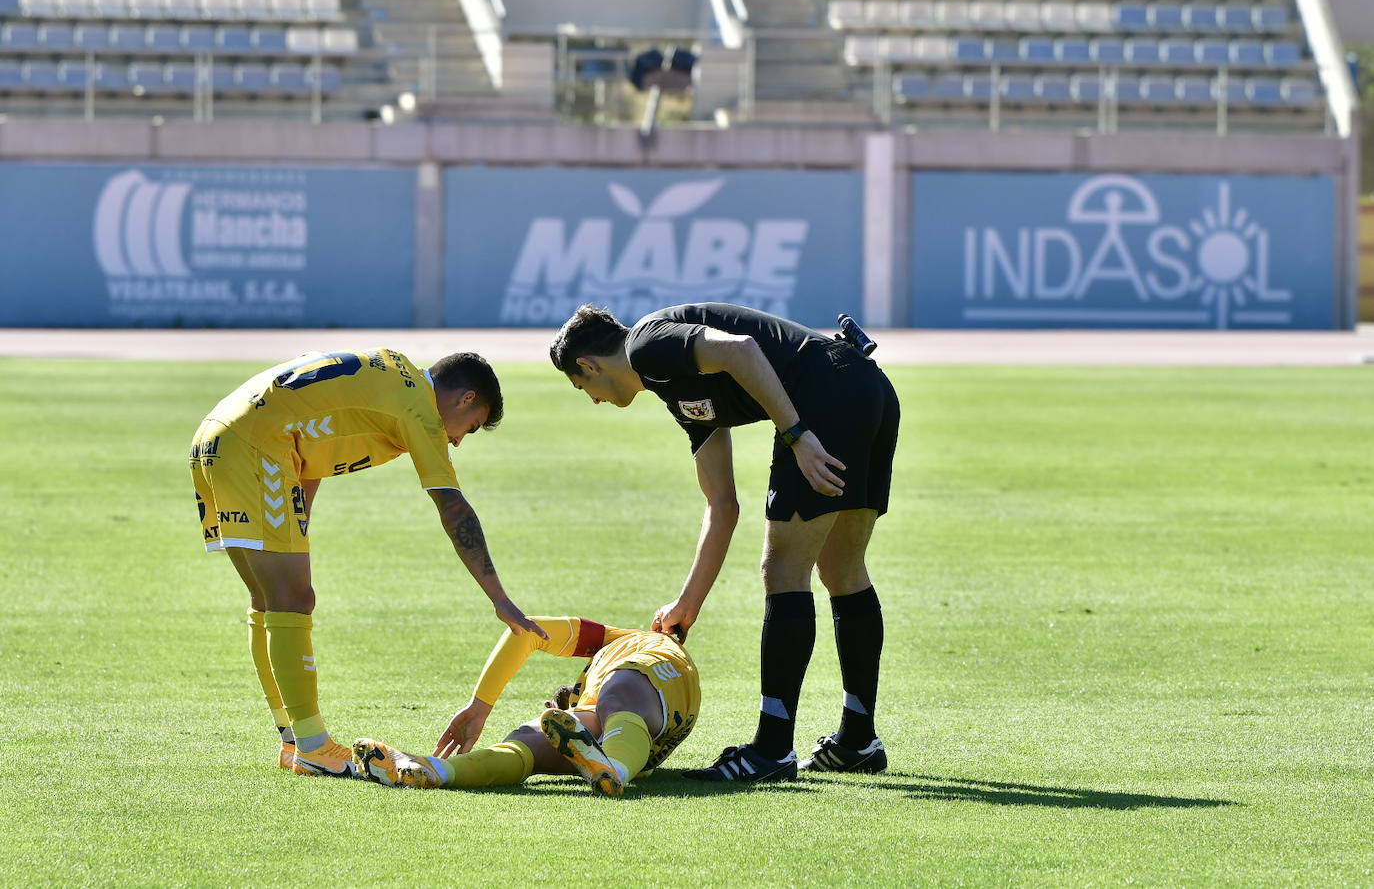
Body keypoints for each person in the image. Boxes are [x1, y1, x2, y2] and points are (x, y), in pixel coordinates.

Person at [548, 303, 899, 783]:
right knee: (842, 571)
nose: (592, 399)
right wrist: (686, 604)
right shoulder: (677, 393)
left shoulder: (646, 345)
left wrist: (795, 434)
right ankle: (858, 739)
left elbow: (741, 349)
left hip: (827, 401)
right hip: (865, 390)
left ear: (588, 366)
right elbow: (722, 505)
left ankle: (772, 749)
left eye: (581, 386)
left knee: (783, 573)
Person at [189, 347, 547, 778]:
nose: (456, 441)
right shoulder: (421, 411)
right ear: (465, 398)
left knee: (270, 601)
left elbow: (315, 431)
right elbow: (453, 509)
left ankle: (294, 739)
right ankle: (314, 747)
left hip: (216, 437)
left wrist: (297, 521)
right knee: (292, 599)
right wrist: (499, 598)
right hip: (258, 447)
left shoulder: (393, 370)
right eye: (467, 429)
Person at [352, 616, 699, 797]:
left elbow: (529, 630)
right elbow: (529, 632)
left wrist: (479, 706)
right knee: (526, 741)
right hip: (643, 738)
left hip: (660, 673)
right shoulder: (596, 706)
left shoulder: (627, 641)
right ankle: (437, 771)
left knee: (617, 693)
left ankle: (614, 772)